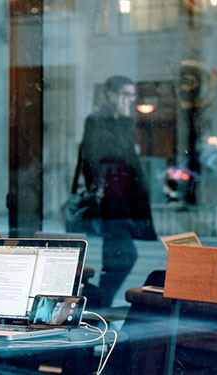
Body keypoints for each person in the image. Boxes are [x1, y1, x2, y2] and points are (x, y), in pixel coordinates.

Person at [80, 75, 156, 307]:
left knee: (116, 256)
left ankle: (101, 304)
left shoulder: (125, 122)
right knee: (123, 254)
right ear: (109, 95)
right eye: (124, 94)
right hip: (108, 200)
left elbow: (130, 159)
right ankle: (100, 303)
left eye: (131, 95)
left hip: (125, 199)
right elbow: (96, 155)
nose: (129, 100)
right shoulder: (96, 120)